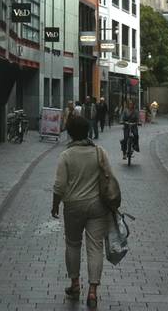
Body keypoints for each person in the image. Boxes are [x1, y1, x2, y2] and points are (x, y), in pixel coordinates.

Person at [52, 115, 113, 308]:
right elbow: (109, 177)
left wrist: (55, 205)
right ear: (87, 131)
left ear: (69, 133)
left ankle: (75, 284)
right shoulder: (99, 152)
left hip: (73, 206)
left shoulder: (66, 155)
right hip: (97, 206)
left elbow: (59, 186)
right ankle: (93, 292)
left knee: (72, 244)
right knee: (95, 247)